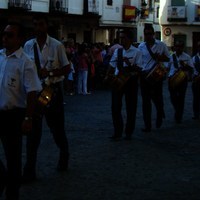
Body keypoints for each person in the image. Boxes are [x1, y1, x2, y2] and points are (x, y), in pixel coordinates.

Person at [22, 13, 71, 183]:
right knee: (33, 133)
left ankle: (64, 155)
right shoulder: (28, 45)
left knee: (57, 129)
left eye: (40, 24)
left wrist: (49, 72)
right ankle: (29, 170)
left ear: (46, 26)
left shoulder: (57, 46)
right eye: (35, 24)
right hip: (35, 93)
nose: (37, 28)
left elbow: (67, 68)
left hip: (52, 91)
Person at [0, 22, 42, 200]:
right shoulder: (0, 56)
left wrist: (28, 118)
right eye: (4, 34)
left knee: (13, 157)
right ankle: (3, 178)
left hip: (13, 114)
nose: (5, 38)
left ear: (19, 39)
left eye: (10, 35)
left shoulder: (26, 62)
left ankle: (12, 194)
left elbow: (32, 91)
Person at [104, 28, 142, 140]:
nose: (121, 40)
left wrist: (129, 64)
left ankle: (129, 132)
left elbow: (139, 69)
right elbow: (112, 65)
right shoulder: (118, 51)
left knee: (131, 108)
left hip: (130, 81)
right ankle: (117, 131)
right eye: (120, 38)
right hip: (118, 80)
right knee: (115, 107)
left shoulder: (137, 52)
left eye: (123, 38)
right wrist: (107, 76)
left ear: (130, 39)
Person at [138, 25, 170, 132]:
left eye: (149, 34)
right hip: (144, 76)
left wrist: (160, 57)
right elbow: (139, 60)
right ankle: (148, 125)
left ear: (153, 34)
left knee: (157, 98)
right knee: (146, 101)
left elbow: (168, 59)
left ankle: (160, 113)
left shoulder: (161, 45)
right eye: (146, 34)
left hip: (156, 75)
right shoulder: (141, 46)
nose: (147, 36)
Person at [167, 40, 194, 123]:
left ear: (183, 48)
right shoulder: (171, 56)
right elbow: (167, 68)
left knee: (181, 98)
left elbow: (191, 69)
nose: (178, 48)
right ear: (174, 47)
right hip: (172, 79)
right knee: (173, 97)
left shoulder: (187, 57)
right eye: (177, 46)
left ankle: (179, 116)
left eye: (180, 46)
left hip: (182, 79)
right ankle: (177, 110)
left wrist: (184, 65)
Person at [191, 41, 200, 120]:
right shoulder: (194, 58)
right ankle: (196, 113)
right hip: (197, 80)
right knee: (196, 98)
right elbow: (192, 69)